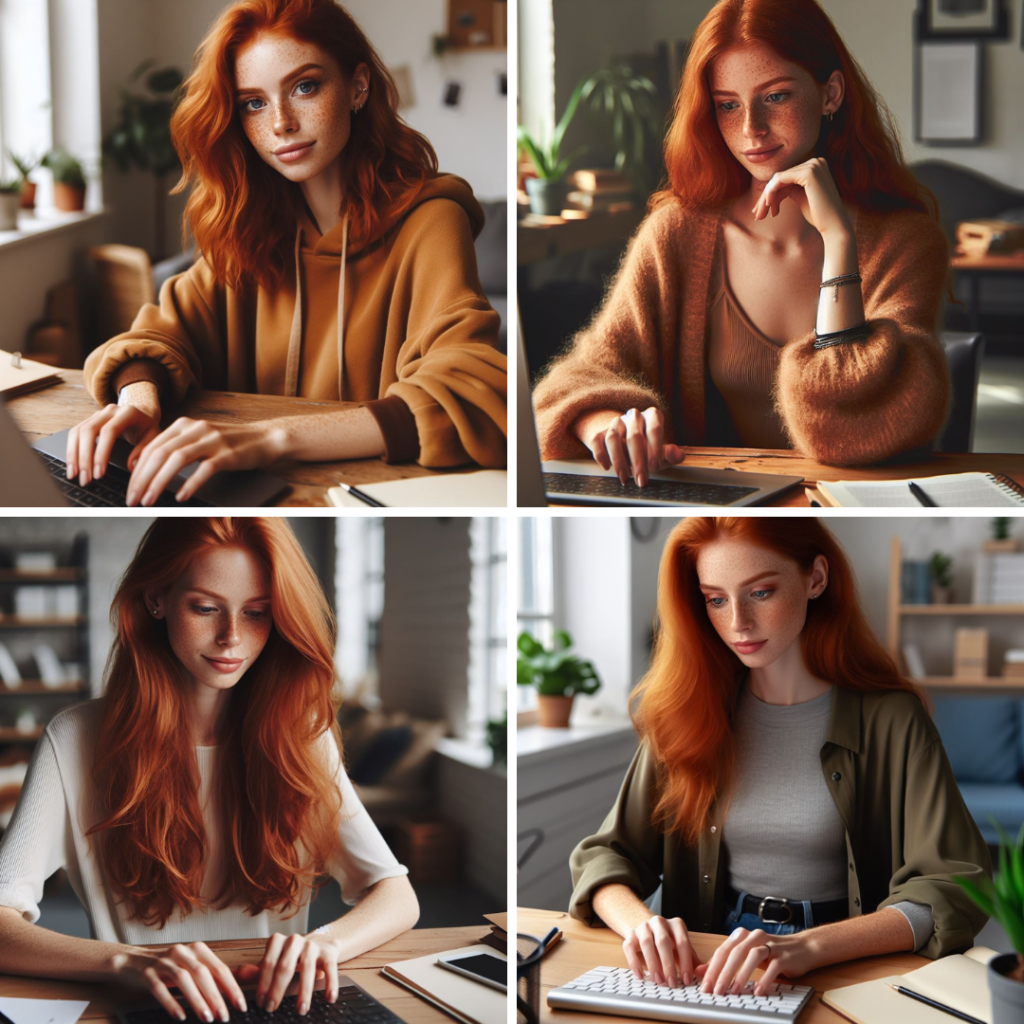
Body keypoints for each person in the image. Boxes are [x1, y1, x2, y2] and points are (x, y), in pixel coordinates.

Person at [69, 0, 506, 506]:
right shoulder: (251, 224)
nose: (280, 123)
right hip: (248, 498)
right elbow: (157, 335)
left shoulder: (429, 220)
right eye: (253, 103)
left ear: (358, 86)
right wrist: (137, 401)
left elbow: (476, 389)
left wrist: (270, 438)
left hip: (367, 501)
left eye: (305, 87)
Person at [0, 518, 419, 1019]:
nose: (232, 638)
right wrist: (126, 962)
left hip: (275, 1005)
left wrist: (326, 942)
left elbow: (397, 894)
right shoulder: (73, 738)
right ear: (156, 598)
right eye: (204, 608)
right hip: (151, 1008)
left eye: (258, 613)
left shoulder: (302, 733)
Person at [534, 0, 950, 486]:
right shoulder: (677, 233)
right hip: (725, 502)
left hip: (850, 504)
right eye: (728, 105)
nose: (750, 128)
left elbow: (847, 436)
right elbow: (573, 381)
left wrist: (838, 242)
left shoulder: (905, 241)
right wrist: (604, 423)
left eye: (775, 97)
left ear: (830, 93)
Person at [569, 517, 990, 997]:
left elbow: (955, 885)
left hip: (842, 956)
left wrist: (810, 947)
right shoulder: (687, 715)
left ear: (816, 578)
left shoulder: (893, 719)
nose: (737, 624)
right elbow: (604, 857)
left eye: (761, 592)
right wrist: (642, 925)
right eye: (716, 599)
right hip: (712, 962)